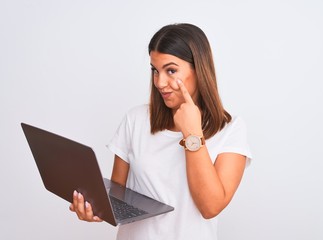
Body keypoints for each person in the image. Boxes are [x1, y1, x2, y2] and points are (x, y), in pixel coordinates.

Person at [70, 23, 252, 240]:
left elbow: (210, 207)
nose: (160, 82)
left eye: (171, 70)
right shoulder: (135, 119)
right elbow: (118, 194)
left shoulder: (230, 130)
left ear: (199, 69)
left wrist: (192, 132)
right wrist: (95, 207)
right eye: (155, 70)